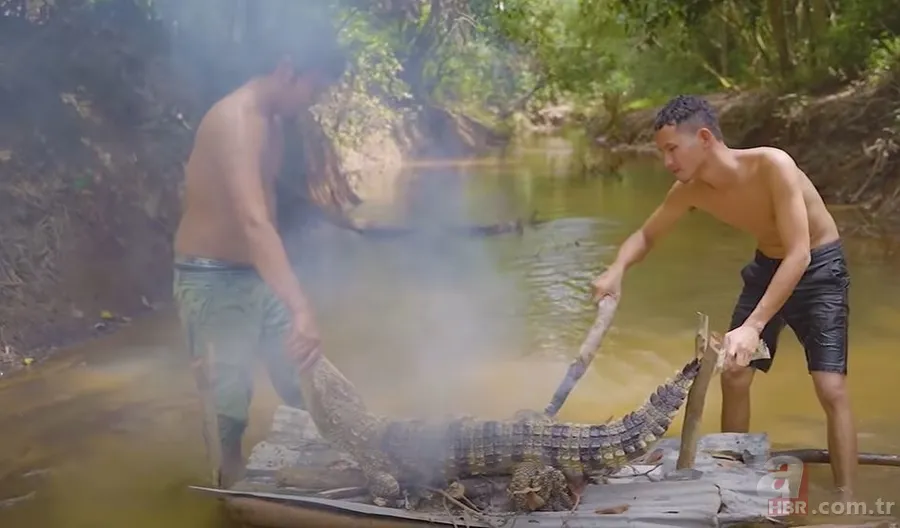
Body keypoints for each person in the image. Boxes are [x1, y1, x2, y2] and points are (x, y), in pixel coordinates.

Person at [590, 95, 857, 498]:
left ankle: (847, 497)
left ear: (703, 138)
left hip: (818, 266)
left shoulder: (772, 165)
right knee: (734, 373)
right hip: (768, 265)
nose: (667, 162)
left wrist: (753, 327)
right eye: (662, 152)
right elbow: (646, 235)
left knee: (830, 387)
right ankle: (735, 480)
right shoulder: (691, 190)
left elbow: (800, 252)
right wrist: (617, 269)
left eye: (671, 149)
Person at [171, 34, 347, 488]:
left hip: (256, 272)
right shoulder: (235, 119)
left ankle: (316, 482)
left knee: (305, 376)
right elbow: (252, 222)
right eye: (314, 88)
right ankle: (229, 493)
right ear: (287, 69)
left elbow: (266, 207)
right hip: (210, 278)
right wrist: (302, 306)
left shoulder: (275, 122)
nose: (313, 101)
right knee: (227, 408)